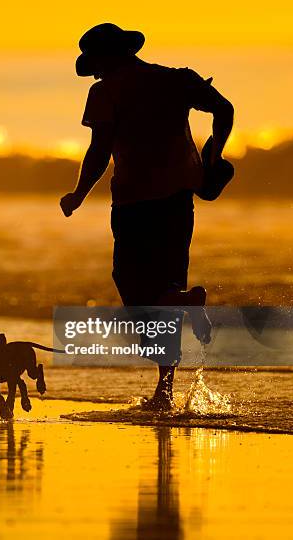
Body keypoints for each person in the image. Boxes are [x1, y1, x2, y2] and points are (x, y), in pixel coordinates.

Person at [60, 23, 234, 409]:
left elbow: (99, 151)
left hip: (134, 201)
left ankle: (167, 383)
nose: (96, 73)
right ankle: (166, 385)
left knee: (134, 286)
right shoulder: (178, 80)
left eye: (97, 65)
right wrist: (216, 154)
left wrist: (78, 194)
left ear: (107, 59)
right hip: (178, 199)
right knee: (168, 286)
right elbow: (225, 109)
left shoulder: (104, 92)